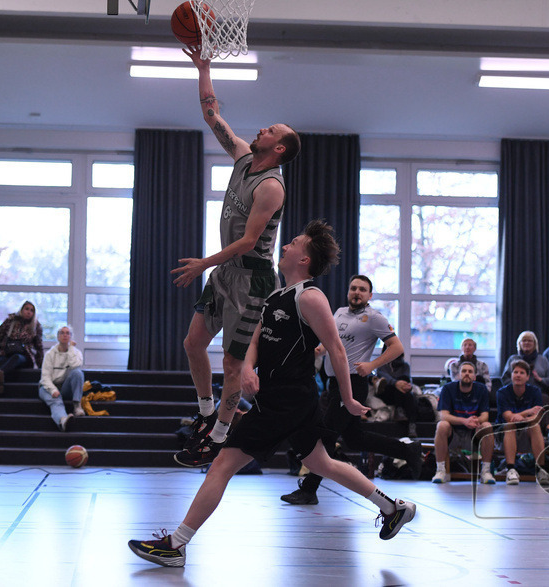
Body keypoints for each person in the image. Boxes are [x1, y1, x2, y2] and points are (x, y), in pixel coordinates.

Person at [128, 220, 415, 568]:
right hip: (281, 396)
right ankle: (392, 507)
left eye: (293, 243)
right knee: (320, 463)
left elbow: (337, 350)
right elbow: (255, 340)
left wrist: (349, 398)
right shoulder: (277, 294)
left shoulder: (311, 297)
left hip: (289, 399)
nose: (285, 246)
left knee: (222, 464)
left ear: (305, 259)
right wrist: (248, 368)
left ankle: (176, 544)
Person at [172, 46, 301, 467]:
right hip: (225, 274)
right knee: (193, 343)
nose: (262, 129)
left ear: (279, 148)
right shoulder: (243, 157)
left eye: (271, 130)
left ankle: (220, 436)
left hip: (252, 280)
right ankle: (207, 415)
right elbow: (213, 116)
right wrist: (204, 68)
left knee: (231, 361)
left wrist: (202, 263)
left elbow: (248, 242)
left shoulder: (271, 187)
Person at [280, 274, 421, 506]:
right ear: (348, 291)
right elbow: (333, 341)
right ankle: (408, 451)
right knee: (355, 439)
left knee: (325, 436)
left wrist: (372, 365)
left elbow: (397, 347)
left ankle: (309, 489)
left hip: (353, 384)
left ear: (369, 295)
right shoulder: (339, 313)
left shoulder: (374, 318)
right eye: (353, 288)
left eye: (362, 290)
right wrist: (319, 350)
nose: (357, 292)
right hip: (334, 383)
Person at [432, 360, 495, 485]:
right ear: (458, 375)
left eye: (470, 371)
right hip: (453, 433)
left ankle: (486, 472)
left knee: (487, 426)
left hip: (473, 433)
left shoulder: (481, 389)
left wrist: (475, 420)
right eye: (464, 371)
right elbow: (443, 415)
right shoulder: (448, 388)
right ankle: (440, 470)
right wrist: (464, 421)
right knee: (441, 425)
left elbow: (485, 415)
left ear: (474, 376)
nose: (467, 374)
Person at [495, 359, 545, 485]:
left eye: (522, 373)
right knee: (510, 425)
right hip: (504, 434)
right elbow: (508, 417)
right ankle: (511, 470)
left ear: (528, 377)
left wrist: (521, 417)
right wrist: (527, 412)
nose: (518, 375)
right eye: (515, 372)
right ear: (511, 375)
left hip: (527, 431)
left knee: (535, 425)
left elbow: (537, 417)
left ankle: (541, 470)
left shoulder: (535, 392)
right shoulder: (502, 392)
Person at [0, 301, 44, 395]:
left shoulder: (36, 326)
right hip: (5, 353)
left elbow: (39, 346)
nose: (29, 312)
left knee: (16, 358)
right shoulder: (10, 321)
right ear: (21, 310)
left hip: (23, 356)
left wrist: (41, 366)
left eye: (32, 310)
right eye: (26, 309)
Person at [38, 326, 85, 431]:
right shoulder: (50, 354)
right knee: (56, 400)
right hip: (47, 387)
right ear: (58, 336)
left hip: (64, 387)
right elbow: (45, 377)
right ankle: (63, 420)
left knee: (77, 373)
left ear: (71, 337)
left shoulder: (76, 353)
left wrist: (71, 349)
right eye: (62, 333)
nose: (65, 335)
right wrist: (53, 389)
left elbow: (74, 366)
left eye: (68, 333)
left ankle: (77, 405)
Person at [375, 353, 421, 437]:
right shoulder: (381, 365)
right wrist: (396, 383)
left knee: (410, 395)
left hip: (403, 393)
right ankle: (403, 414)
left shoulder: (405, 366)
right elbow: (385, 378)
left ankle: (411, 423)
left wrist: (403, 384)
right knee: (398, 387)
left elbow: (406, 379)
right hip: (387, 392)